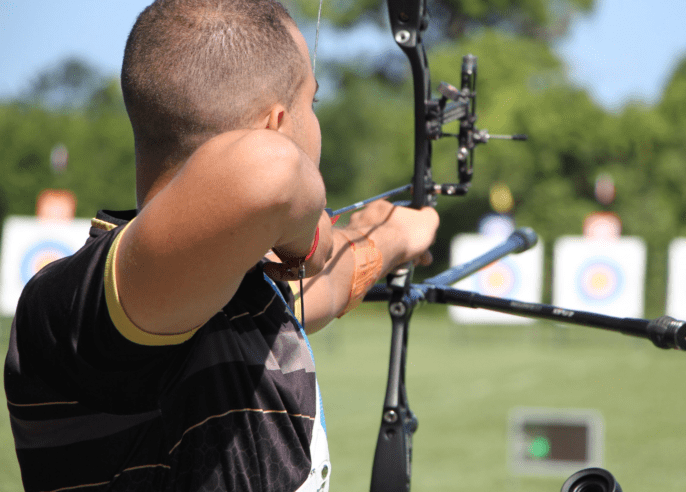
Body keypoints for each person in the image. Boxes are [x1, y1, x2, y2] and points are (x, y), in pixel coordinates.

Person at [3, 0, 439, 491]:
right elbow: (271, 171)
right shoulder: (77, 307)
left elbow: (323, 285)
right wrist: (311, 235)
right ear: (276, 124)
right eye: (311, 104)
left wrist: (393, 235)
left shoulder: (225, 292)